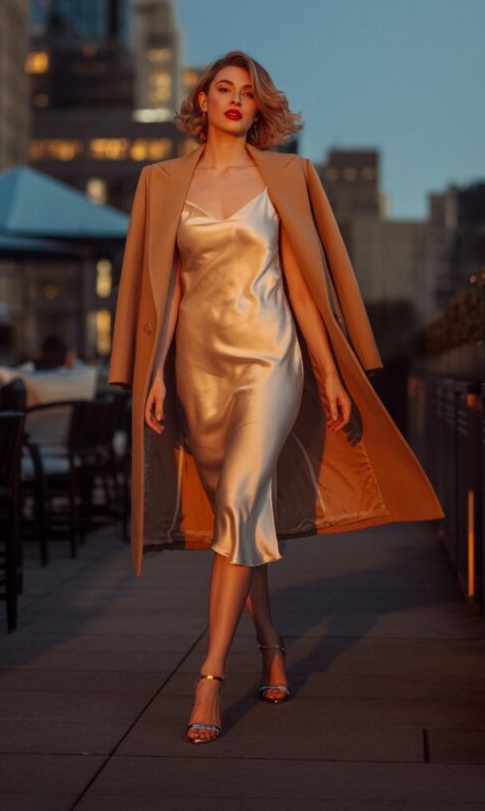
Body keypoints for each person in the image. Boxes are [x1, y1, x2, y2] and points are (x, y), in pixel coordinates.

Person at [109, 49, 444, 746]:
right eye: (222, 89)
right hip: (197, 370)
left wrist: (325, 371)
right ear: (200, 102)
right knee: (243, 518)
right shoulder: (161, 181)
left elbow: (300, 283)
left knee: (236, 503)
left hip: (271, 359)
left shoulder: (285, 176)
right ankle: (269, 640)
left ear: (261, 108)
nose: (235, 99)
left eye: (248, 92)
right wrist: (155, 375)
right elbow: (161, 288)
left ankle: (209, 677)